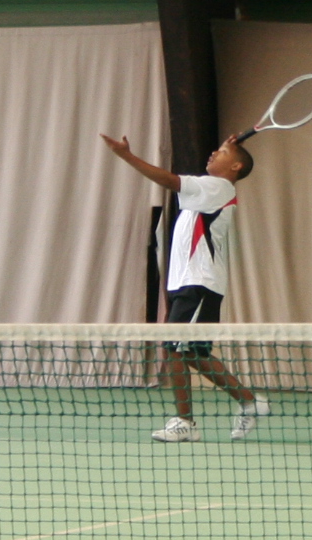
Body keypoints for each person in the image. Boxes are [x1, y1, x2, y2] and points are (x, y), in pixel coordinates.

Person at [100, 130, 268, 442]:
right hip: (188, 283)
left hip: (198, 283)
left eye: (221, 153)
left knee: (175, 349)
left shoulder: (218, 186)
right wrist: (231, 147)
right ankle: (249, 401)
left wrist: (126, 155)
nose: (213, 153)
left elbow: (169, 180)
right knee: (191, 353)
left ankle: (185, 422)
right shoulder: (207, 194)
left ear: (235, 168)